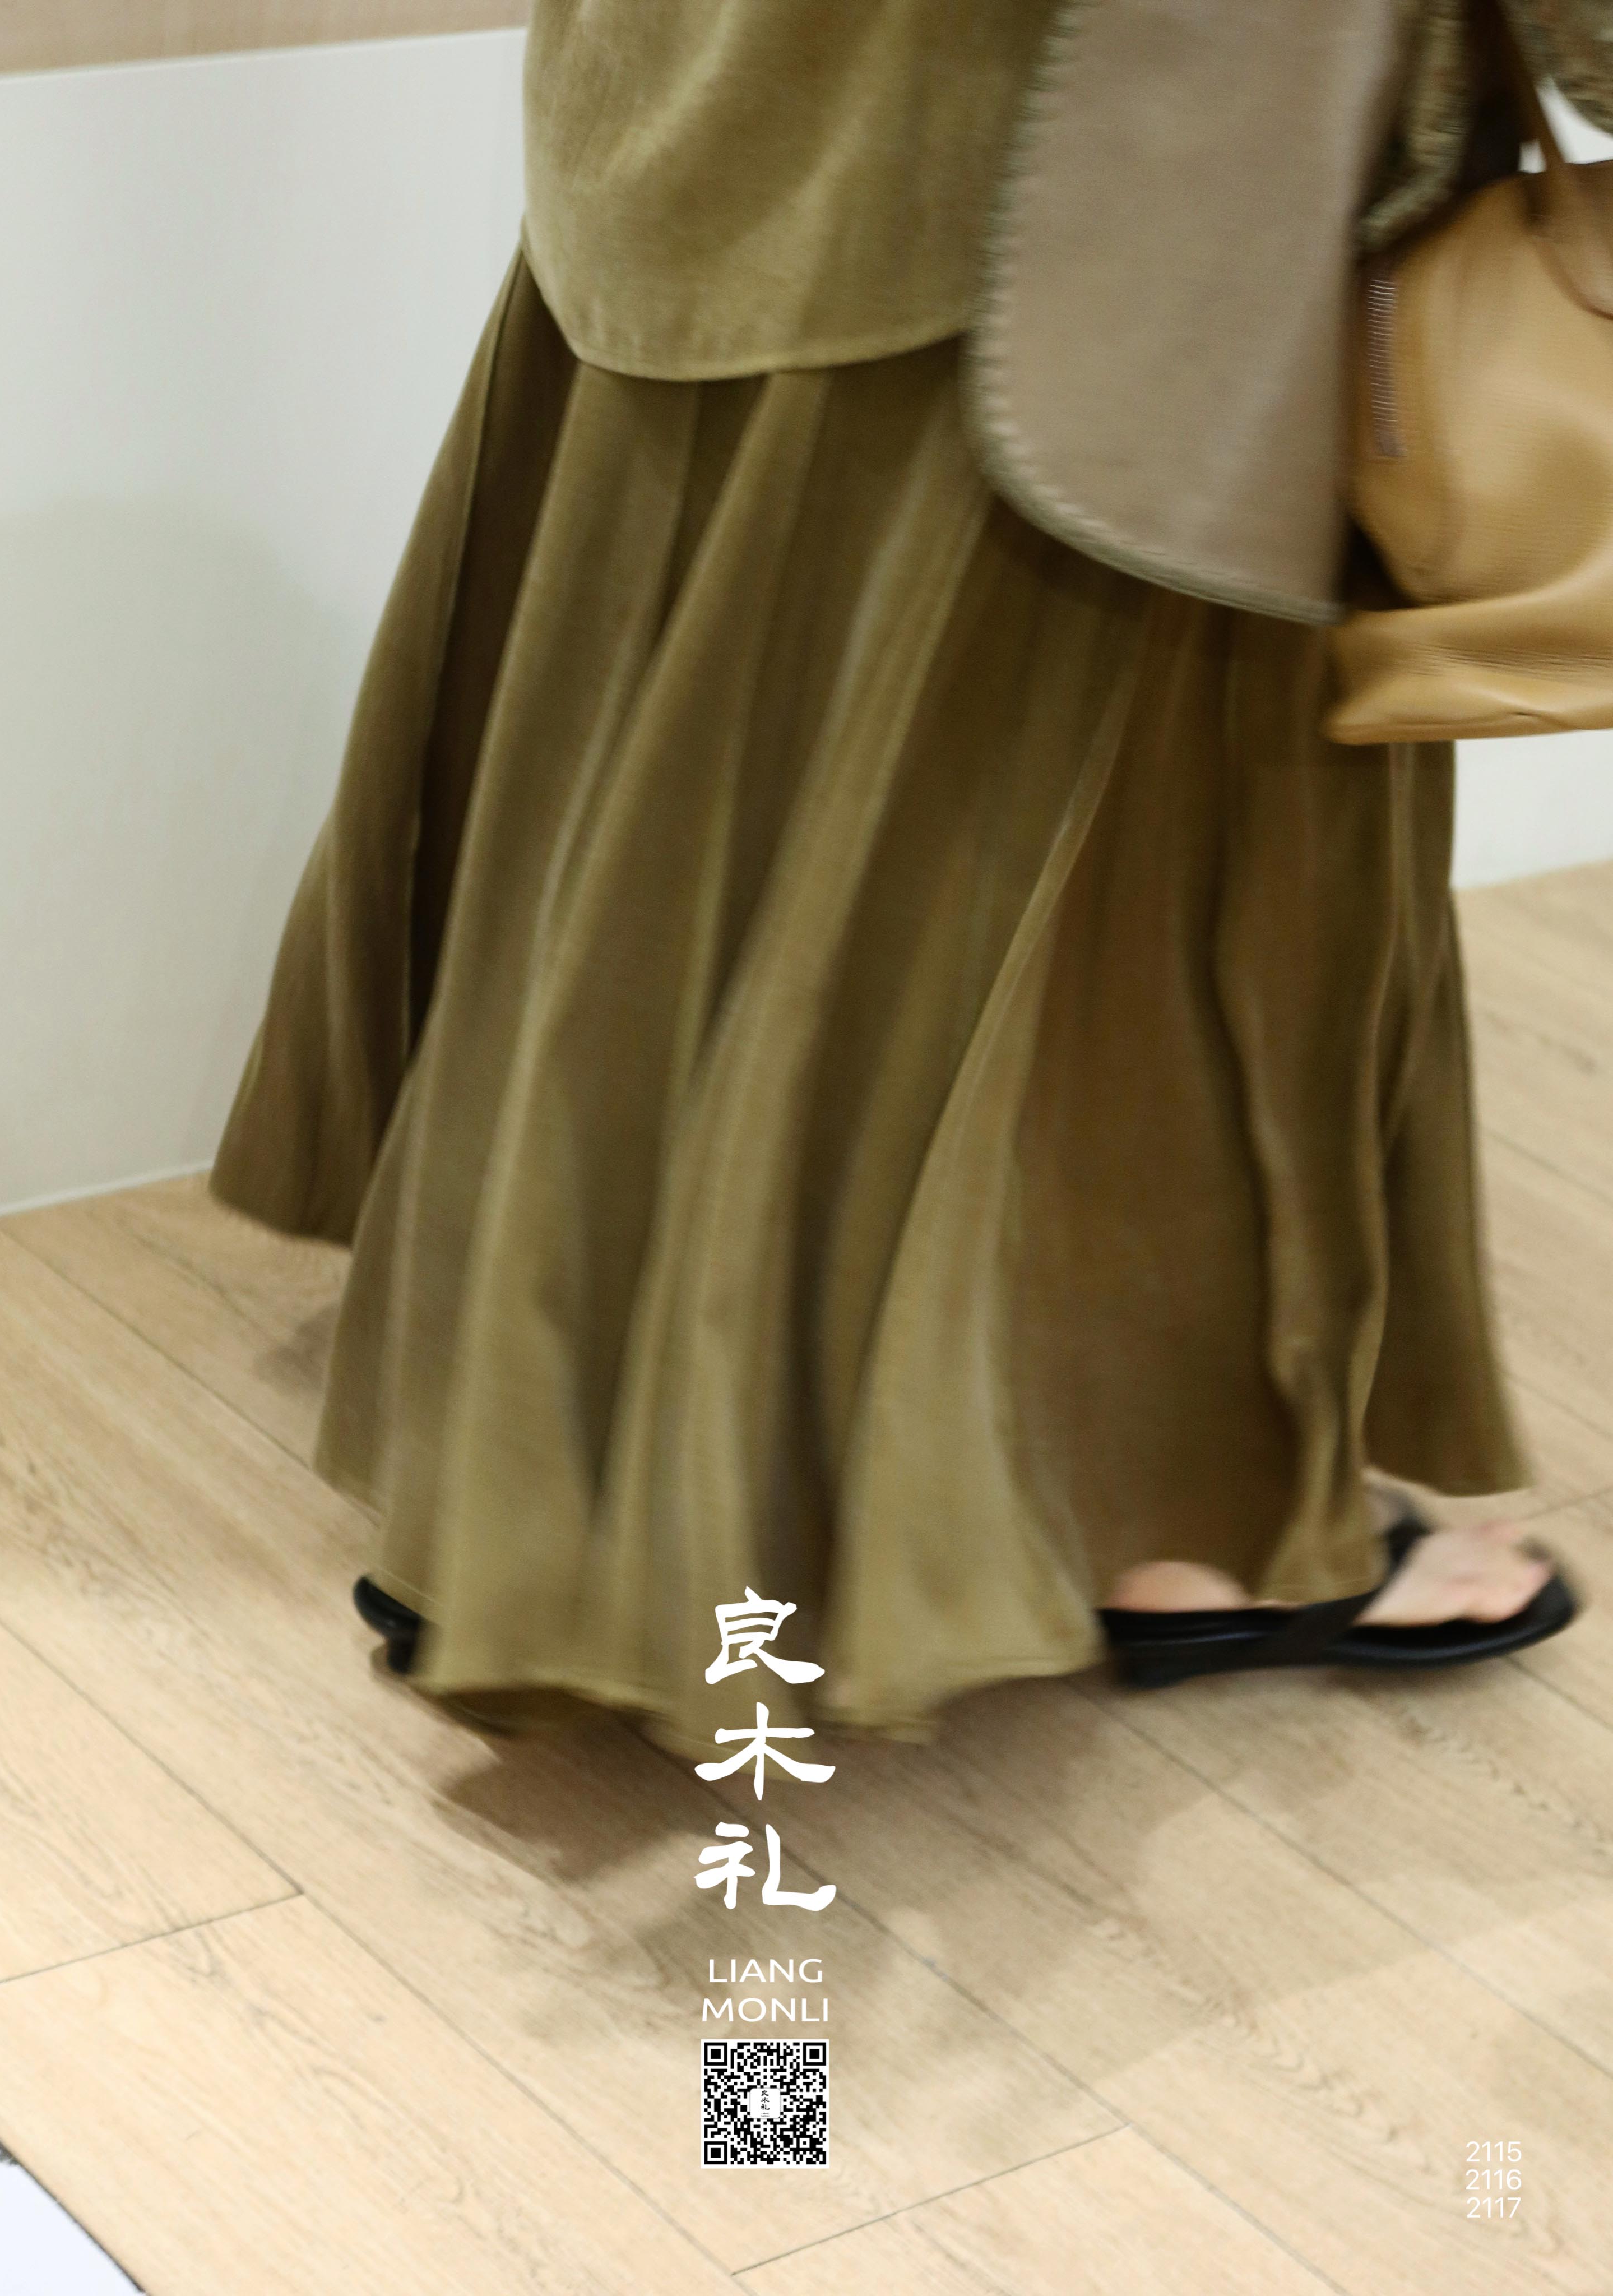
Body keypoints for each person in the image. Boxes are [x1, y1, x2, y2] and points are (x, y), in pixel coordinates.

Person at [210, 0, 1604, 1758]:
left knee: (688, 824)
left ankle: (541, 1497)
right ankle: (1178, 1525)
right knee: (1148, 869)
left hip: (728, 116)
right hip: (1088, 202)